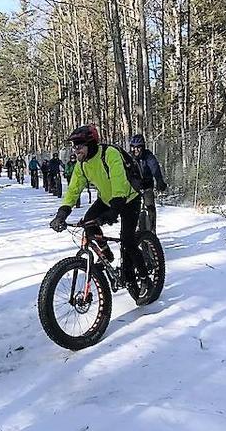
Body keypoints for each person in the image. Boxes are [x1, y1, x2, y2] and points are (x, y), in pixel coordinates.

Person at [49, 124, 151, 301]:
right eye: (74, 146)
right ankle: (106, 254)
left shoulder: (109, 154)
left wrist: (114, 212)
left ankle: (145, 279)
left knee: (128, 240)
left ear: (91, 144)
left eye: (80, 145)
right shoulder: (82, 165)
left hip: (128, 199)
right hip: (106, 199)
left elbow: (119, 181)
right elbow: (73, 190)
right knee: (88, 222)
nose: (76, 149)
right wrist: (62, 214)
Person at [129, 134, 167, 233]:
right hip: (133, 186)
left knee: (149, 205)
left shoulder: (148, 156)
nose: (136, 150)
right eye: (133, 147)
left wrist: (159, 181)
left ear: (143, 147)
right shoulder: (128, 157)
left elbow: (155, 168)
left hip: (147, 184)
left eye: (138, 147)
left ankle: (152, 229)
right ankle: (131, 229)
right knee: (130, 208)